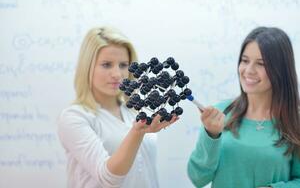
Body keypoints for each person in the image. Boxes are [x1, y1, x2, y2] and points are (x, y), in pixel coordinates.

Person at [57, 26, 178, 188]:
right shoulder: (75, 117)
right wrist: (137, 132)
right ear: (88, 67)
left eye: (123, 65)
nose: (117, 74)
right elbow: (109, 179)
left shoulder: (134, 111)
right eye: (106, 65)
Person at [187, 27, 300, 188]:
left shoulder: (295, 120)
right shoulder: (220, 113)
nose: (248, 70)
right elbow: (198, 179)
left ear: (280, 70)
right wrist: (211, 135)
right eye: (245, 60)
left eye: (261, 64)